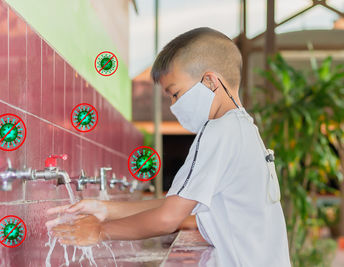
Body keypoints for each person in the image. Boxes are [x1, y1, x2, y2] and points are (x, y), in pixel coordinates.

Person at [46, 27, 291, 267]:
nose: (174, 105)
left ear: (210, 81)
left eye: (175, 93)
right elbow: (177, 202)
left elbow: (167, 218)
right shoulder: (243, 127)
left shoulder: (218, 131)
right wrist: (106, 209)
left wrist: (100, 231)